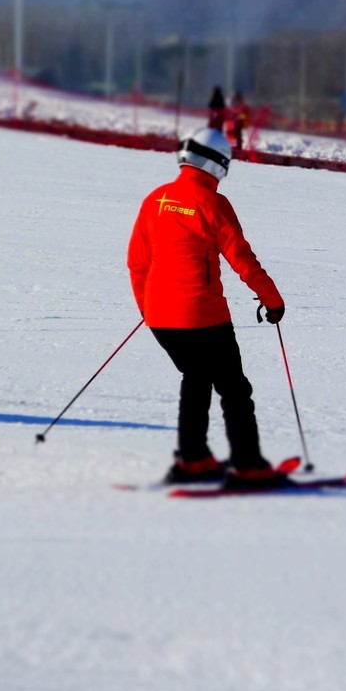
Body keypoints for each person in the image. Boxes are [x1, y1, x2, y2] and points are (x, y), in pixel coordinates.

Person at [127, 127, 288, 488]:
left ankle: (194, 459)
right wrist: (273, 300)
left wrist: (147, 307)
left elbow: (138, 263)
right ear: (218, 164)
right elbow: (242, 260)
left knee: (196, 378)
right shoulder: (214, 204)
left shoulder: (156, 199)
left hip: (160, 318)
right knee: (233, 388)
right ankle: (249, 467)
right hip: (203, 316)